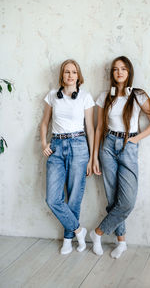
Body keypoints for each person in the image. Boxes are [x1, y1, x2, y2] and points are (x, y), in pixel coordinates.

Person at [91, 56, 150, 259]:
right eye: (115, 69)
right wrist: (94, 157)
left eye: (123, 69)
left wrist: (134, 139)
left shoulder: (138, 95)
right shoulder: (105, 96)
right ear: (112, 74)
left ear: (129, 72)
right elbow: (98, 129)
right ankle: (121, 242)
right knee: (113, 198)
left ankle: (97, 233)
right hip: (107, 147)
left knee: (127, 201)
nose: (119, 72)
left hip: (128, 146)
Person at [40, 59, 94, 255]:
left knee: (74, 198)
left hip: (79, 146)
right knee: (53, 199)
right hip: (56, 146)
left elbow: (90, 128)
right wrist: (44, 144)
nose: (70, 75)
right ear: (61, 75)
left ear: (78, 76)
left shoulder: (85, 97)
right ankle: (79, 230)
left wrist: (92, 157)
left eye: (74, 72)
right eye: (66, 72)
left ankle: (68, 239)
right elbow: (44, 123)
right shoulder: (52, 96)